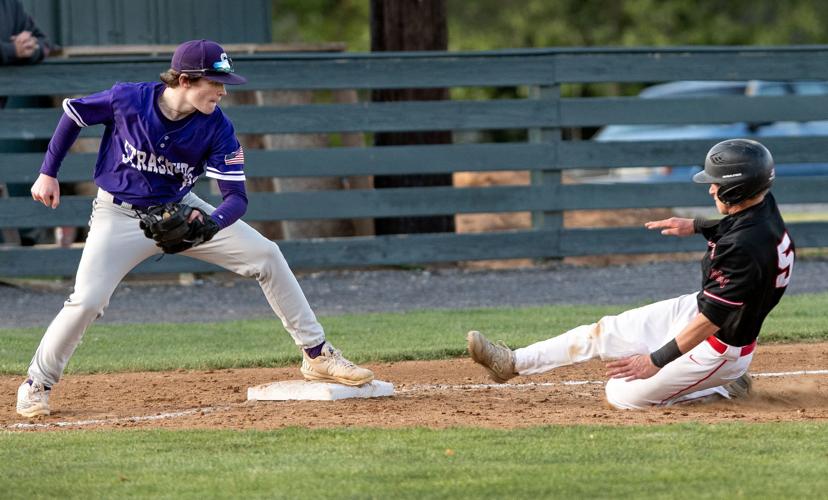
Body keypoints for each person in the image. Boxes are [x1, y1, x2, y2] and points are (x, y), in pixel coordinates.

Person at [16, 39, 373, 418]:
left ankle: (317, 354)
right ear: (185, 79)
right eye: (214, 82)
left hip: (181, 211)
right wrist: (47, 172)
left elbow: (236, 198)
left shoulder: (217, 127)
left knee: (266, 255)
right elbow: (73, 113)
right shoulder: (129, 99)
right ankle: (37, 383)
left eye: (223, 83)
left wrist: (210, 223)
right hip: (117, 215)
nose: (222, 91)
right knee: (86, 301)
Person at [467, 139, 794, 409]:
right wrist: (695, 225)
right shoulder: (761, 206)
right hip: (702, 310)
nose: (711, 190)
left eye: (717, 183)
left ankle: (722, 388)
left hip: (718, 348)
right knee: (603, 331)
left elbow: (713, 318)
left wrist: (657, 359)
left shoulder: (743, 247)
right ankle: (511, 362)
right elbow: (740, 230)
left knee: (620, 395)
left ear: (737, 189)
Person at [0, 0, 52, 245]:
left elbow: (45, 42)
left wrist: (32, 49)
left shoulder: (10, 5)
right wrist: (10, 51)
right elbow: (12, 50)